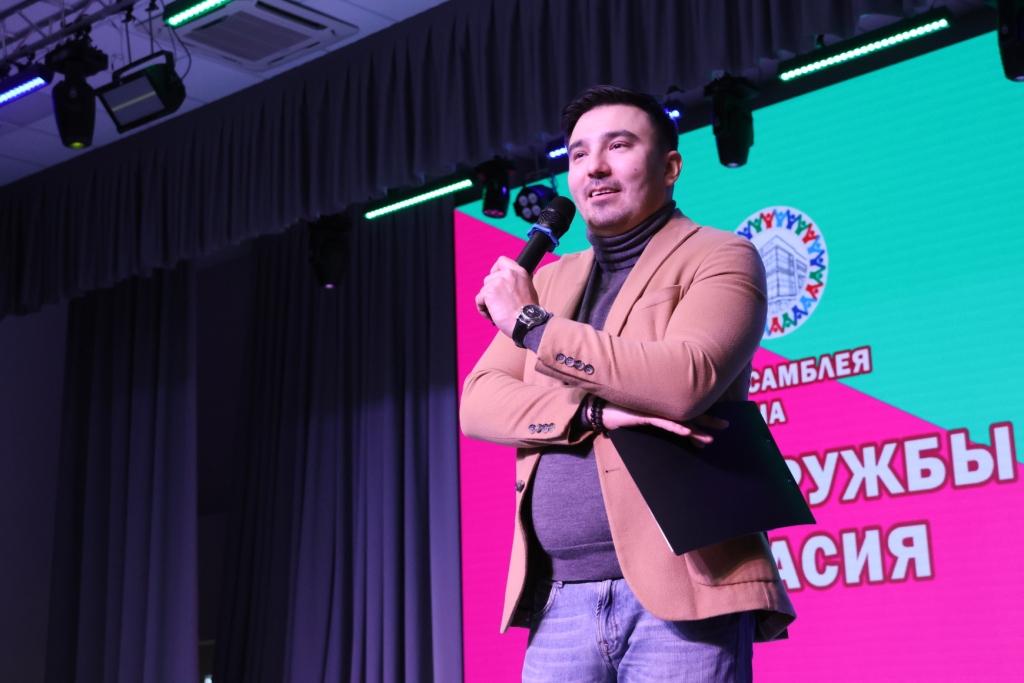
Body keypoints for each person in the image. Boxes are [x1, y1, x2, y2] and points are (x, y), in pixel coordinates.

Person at [460, 85, 795, 682]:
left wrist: (533, 326)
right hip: (558, 597)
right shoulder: (551, 279)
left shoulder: (721, 255)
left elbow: (683, 381)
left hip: (686, 589)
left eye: (618, 146)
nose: (595, 166)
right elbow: (478, 402)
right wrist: (590, 414)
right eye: (579, 153)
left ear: (670, 167)